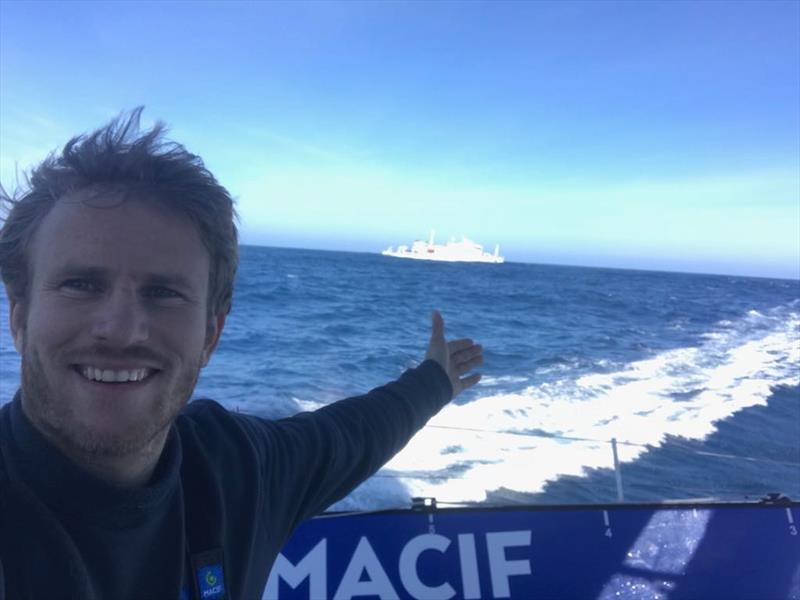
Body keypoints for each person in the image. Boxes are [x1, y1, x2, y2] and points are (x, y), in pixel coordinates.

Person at [0, 109, 483, 600]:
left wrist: (435, 380)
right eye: (81, 284)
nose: (122, 329)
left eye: (163, 293)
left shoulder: (236, 472)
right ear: (19, 318)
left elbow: (354, 434)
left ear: (211, 334)